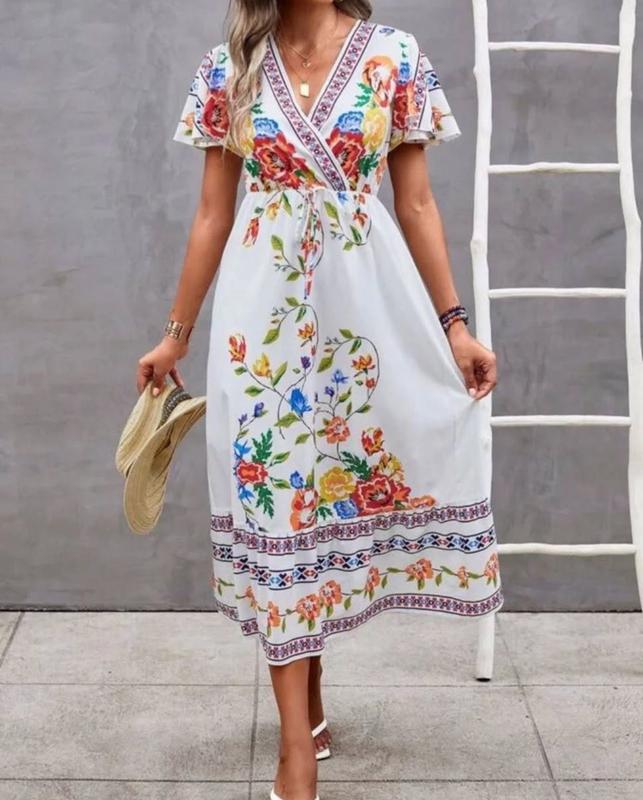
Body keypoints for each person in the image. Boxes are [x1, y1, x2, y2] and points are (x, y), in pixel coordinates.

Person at [136, 1, 503, 798]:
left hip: (361, 324)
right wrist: (176, 335)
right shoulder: (230, 66)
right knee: (277, 506)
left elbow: (414, 203)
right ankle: (294, 747)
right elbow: (212, 212)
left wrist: (455, 327)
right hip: (259, 325)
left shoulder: (392, 57)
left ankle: (309, 699)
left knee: (329, 501)